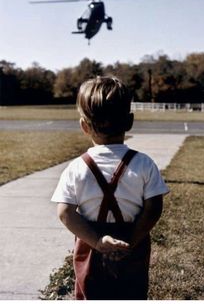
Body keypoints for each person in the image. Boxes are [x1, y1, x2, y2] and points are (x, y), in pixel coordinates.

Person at [51, 76, 169, 300]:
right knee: (132, 294)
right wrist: (131, 241)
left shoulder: (76, 168)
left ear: (84, 126)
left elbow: (65, 212)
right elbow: (153, 208)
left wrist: (96, 241)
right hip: (132, 244)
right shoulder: (144, 163)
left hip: (91, 246)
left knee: (91, 293)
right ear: (130, 121)